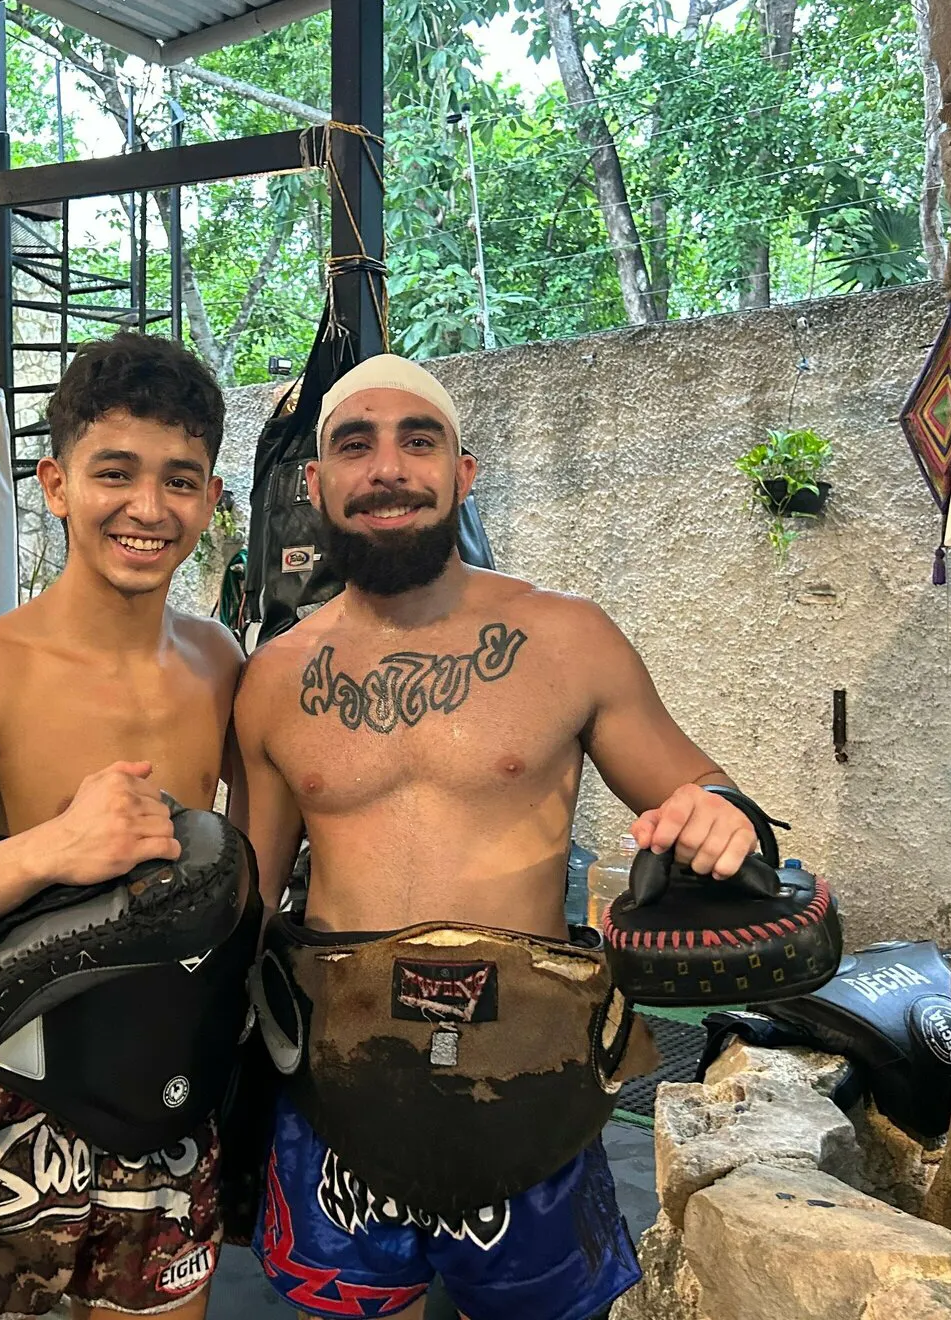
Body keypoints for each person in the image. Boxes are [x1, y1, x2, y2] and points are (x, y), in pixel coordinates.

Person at [233, 355, 763, 1320]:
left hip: (531, 1073)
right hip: (336, 1081)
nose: (387, 468)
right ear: (314, 483)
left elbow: (699, 784)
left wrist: (719, 814)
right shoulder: (273, 676)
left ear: (462, 473)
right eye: (355, 445)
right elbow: (249, 898)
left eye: (418, 441)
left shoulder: (568, 639)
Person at [0, 333, 254, 1320]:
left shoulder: (222, 664)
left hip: (169, 1088)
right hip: (12, 1084)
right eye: (116, 472)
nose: (148, 507)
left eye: (179, 480)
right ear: (55, 485)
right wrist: (43, 851)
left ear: (209, 498)